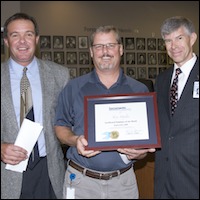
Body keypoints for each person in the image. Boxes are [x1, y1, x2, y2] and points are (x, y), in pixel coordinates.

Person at [54, 25, 155, 199]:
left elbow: (145, 139)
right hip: (80, 182)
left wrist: (141, 152)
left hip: (123, 183)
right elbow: (60, 126)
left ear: (121, 49)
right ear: (91, 52)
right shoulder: (73, 87)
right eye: (99, 46)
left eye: (110, 45)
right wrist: (74, 140)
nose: (105, 51)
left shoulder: (140, 90)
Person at [1, 13, 70, 199]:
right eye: (15, 35)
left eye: (28, 34)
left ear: (37, 39)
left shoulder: (60, 75)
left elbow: (71, 122)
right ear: (6, 41)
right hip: (7, 174)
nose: (22, 41)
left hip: (49, 171)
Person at [154, 16, 199, 199]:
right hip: (164, 178)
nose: (173, 46)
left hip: (194, 178)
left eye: (179, 38)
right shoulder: (162, 80)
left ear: (192, 38)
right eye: (168, 40)